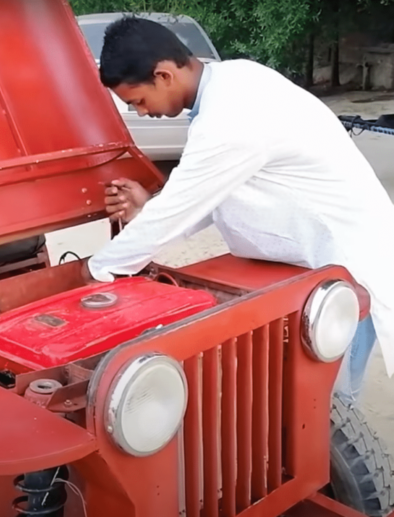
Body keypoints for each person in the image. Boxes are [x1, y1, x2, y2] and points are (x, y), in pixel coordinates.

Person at [83, 16, 394, 406]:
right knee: (303, 411)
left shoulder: (230, 114)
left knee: (327, 417)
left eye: (139, 102)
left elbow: (181, 207)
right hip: (323, 262)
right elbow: (216, 193)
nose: (142, 114)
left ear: (163, 75)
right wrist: (150, 208)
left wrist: (97, 270)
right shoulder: (234, 80)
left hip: (349, 266)